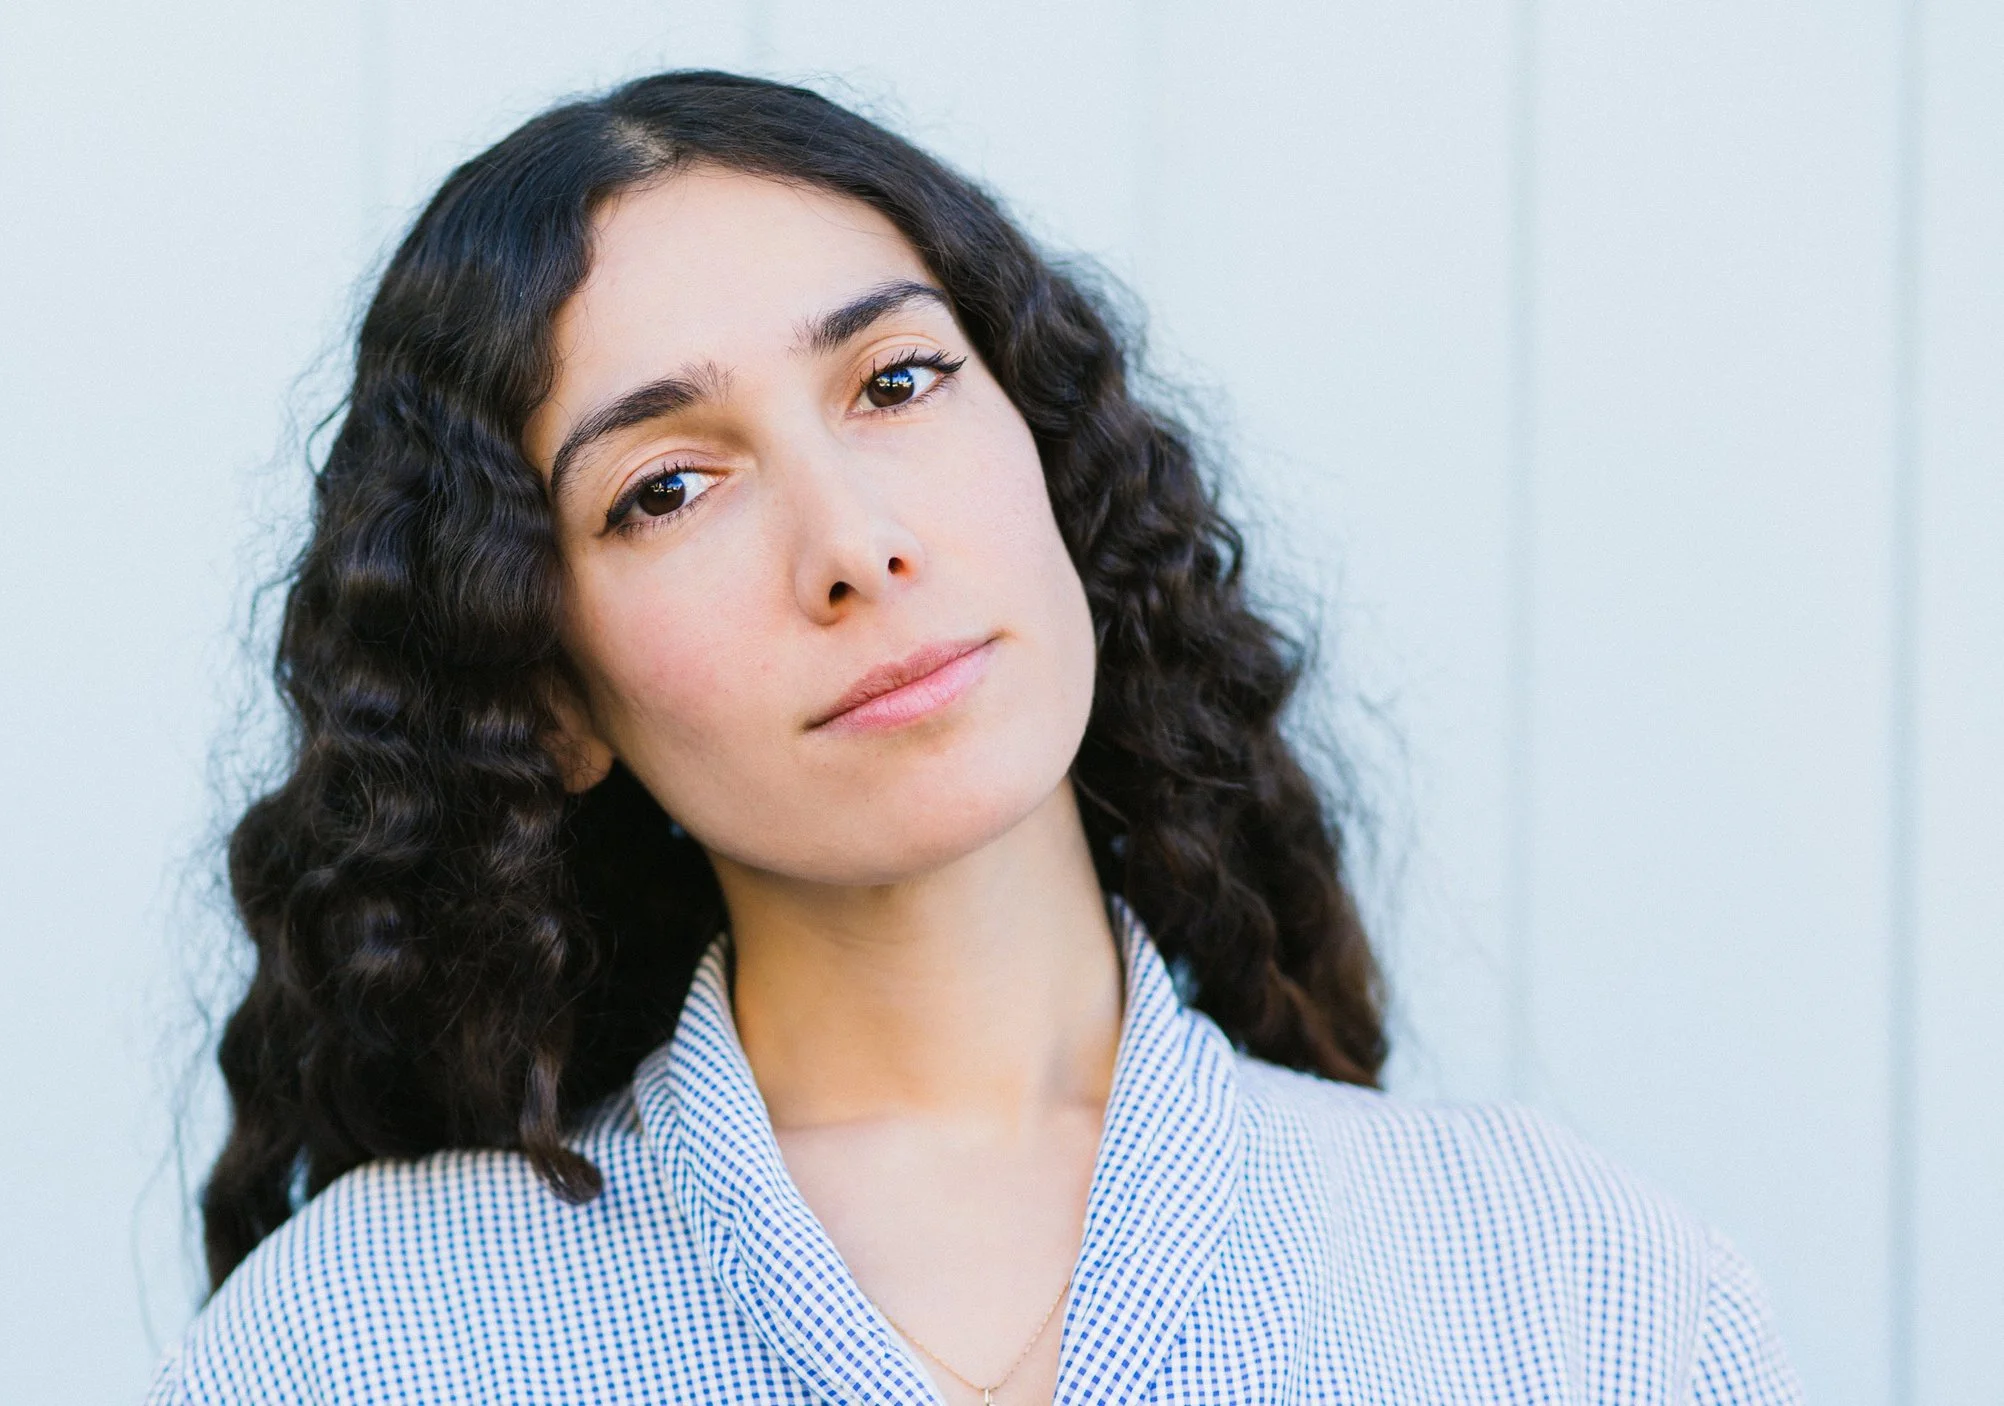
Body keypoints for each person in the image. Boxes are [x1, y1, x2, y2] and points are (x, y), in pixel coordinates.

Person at [147, 70, 1798, 1405]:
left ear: (1048, 450)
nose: (854, 540)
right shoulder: (361, 1348)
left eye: (898, 381)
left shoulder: (1583, 1292)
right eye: (665, 487)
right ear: (550, 695)